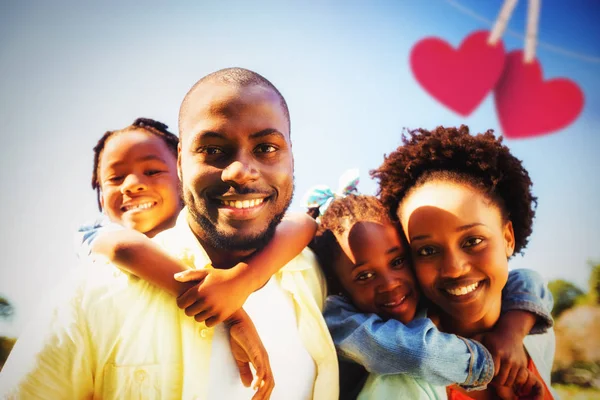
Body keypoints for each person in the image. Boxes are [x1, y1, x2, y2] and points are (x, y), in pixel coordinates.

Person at [0, 68, 338, 400]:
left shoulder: (315, 272)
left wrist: (244, 279)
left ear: (292, 155)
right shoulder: (93, 295)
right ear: (180, 163)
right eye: (213, 149)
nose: (240, 172)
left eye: (266, 148)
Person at [371, 125, 557, 399]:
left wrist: (513, 333)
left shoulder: (536, 336)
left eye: (473, 241)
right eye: (427, 250)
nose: (454, 268)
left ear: (507, 237)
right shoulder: (402, 375)